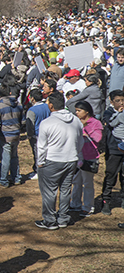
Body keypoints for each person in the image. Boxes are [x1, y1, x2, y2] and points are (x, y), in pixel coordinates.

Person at [35, 92, 84, 230]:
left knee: (49, 191)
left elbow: (41, 146)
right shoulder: (76, 120)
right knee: (65, 190)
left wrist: (40, 162)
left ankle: (50, 221)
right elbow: (80, 142)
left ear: (51, 105)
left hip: (52, 160)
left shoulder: (47, 123)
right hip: (71, 160)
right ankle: (63, 218)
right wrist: (76, 155)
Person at [71, 101, 102, 217]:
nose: (77, 113)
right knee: (76, 182)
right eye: (76, 110)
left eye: (79, 110)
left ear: (87, 111)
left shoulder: (96, 123)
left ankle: (88, 207)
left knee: (87, 183)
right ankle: (75, 204)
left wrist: (85, 130)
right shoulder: (76, 122)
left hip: (90, 157)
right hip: (77, 155)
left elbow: (97, 139)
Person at [0, 84, 24, 187]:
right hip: (16, 135)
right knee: (14, 157)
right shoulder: (18, 104)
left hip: (5, 136)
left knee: (5, 158)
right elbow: (22, 120)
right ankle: (16, 178)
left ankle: (3, 180)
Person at [101, 89, 124, 215]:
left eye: (123, 100)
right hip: (113, 150)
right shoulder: (109, 113)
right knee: (111, 176)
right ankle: (106, 201)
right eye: (118, 101)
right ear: (111, 101)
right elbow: (110, 124)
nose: (121, 103)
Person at [25, 89, 51, 181]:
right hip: (48, 133)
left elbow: (29, 125)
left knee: (37, 153)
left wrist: (29, 135)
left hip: (36, 135)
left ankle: (38, 171)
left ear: (32, 99)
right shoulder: (48, 106)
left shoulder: (31, 110)